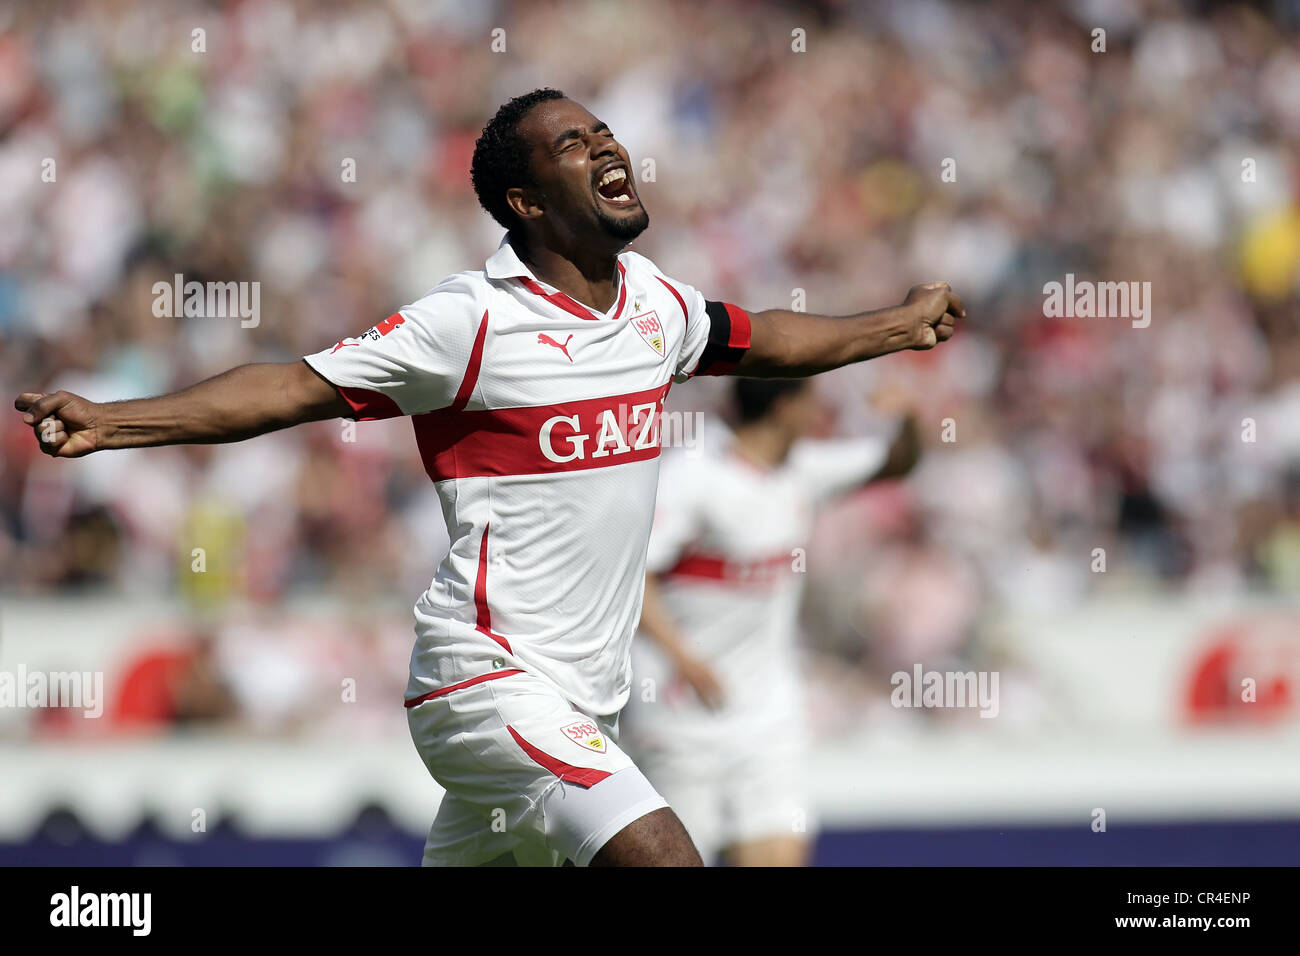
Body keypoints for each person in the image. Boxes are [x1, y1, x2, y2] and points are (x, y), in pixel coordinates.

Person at [14, 88, 963, 867]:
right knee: (666, 861)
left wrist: (896, 325)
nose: (604, 145)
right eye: (570, 144)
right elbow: (293, 388)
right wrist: (114, 421)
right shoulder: (468, 321)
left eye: (603, 130)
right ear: (526, 202)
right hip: (487, 681)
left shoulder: (656, 304)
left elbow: (767, 338)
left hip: (583, 701)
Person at [625, 378, 919, 866]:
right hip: (681, 719)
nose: (820, 412)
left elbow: (897, 462)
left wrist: (907, 418)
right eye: (811, 401)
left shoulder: (801, 470)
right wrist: (684, 658)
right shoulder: (692, 476)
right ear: (785, 407)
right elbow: (634, 577)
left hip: (767, 720)